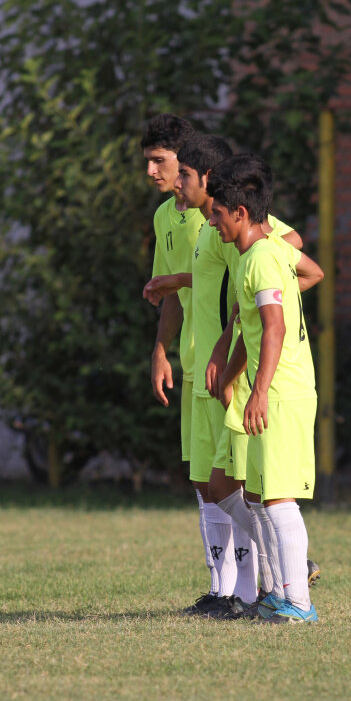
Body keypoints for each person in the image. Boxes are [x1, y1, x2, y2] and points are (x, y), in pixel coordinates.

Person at [206, 153, 319, 624]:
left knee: (277, 498)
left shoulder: (262, 259)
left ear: (240, 212)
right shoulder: (263, 252)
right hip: (269, 387)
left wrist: (259, 391)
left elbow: (273, 328)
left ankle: (298, 604)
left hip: (282, 392)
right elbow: (260, 323)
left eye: (216, 213)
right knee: (255, 496)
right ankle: (277, 595)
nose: (211, 221)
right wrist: (232, 376)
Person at [140, 114, 225, 614]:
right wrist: (160, 351)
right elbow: (170, 292)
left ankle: (279, 566)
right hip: (193, 361)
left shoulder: (216, 210)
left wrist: (181, 280)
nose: (152, 171)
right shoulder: (164, 217)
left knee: (232, 478)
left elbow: (262, 257)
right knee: (202, 480)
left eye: (160, 161)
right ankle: (221, 589)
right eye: (147, 162)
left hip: (225, 359)